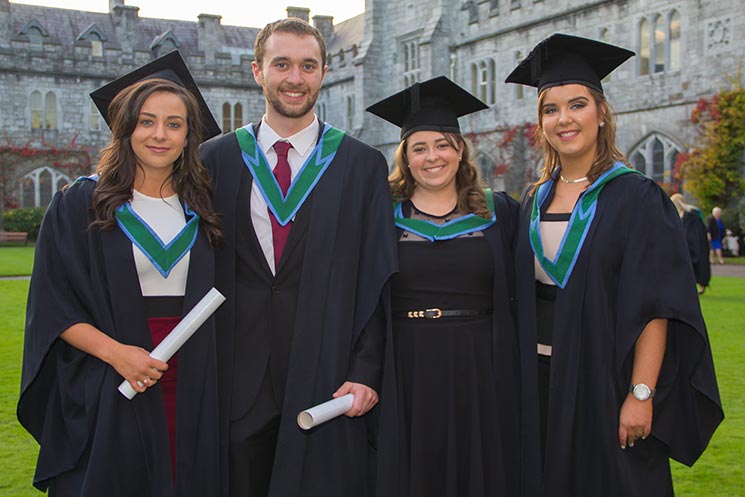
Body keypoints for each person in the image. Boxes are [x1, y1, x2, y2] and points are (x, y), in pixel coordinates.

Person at [506, 34, 723, 497]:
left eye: (578, 104)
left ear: (601, 112)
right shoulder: (531, 199)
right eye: (551, 108)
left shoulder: (637, 197)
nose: (564, 119)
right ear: (540, 121)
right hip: (538, 383)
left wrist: (641, 395)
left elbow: (656, 306)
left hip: (605, 383)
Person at [198, 18, 397, 497]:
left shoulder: (361, 165)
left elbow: (378, 275)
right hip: (236, 374)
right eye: (281, 64)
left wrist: (365, 371)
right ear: (256, 71)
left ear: (324, 72)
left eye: (308, 66)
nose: (295, 78)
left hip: (326, 368)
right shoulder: (215, 159)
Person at [18, 51, 224, 497]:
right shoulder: (81, 203)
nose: (159, 134)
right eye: (147, 121)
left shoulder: (205, 207)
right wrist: (118, 355)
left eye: (174, 123)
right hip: (113, 378)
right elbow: (53, 304)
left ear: (190, 135)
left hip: (195, 380)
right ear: (125, 126)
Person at [366, 76, 523, 497]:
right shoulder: (381, 216)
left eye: (442, 145)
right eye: (419, 148)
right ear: (405, 157)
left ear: (459, 150)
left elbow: (523, 291)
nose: (432, 157)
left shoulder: (500, 212)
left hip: (480, 366)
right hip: (406, 365)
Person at [671, 193, 711, 294]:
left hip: (693, 246)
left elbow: (693, 234)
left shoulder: (691, 216)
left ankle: (699, 285)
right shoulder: (685, 216)